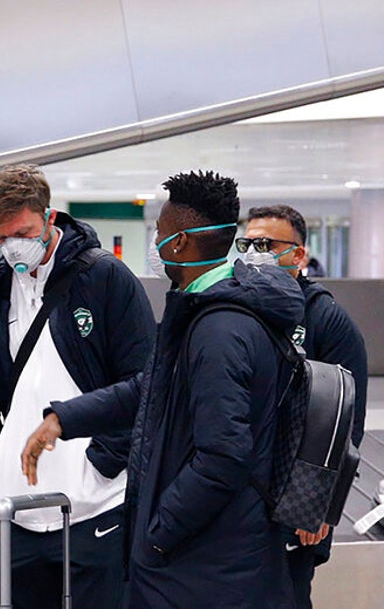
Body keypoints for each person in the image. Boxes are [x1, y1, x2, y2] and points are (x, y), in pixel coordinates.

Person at [21, 171, 305, 608]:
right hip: (209, 560)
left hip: (206, 569)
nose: (155, 242)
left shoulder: (219, 330)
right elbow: (151, 388)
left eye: (160, 232)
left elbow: (223, 457)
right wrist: (66, 418)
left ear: (180, 243)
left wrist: (157, 535)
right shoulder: (207, 313)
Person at [0, 163, 155, 608]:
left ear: (49, 217)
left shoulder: (105, 279)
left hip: (97, 509)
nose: (12, 247)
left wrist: (102, 465)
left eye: (22, 233)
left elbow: (144, 382)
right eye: (1, 239)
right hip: (17, 515)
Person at [242, 204, 368, 608]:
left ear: (298, 254)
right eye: (247, 244)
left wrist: (317, 507)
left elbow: (344, 423)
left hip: (295, 502)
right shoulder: (241, 309)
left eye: (266, 244)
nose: (254, 253)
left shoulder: (326, 320)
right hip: (244, 493)